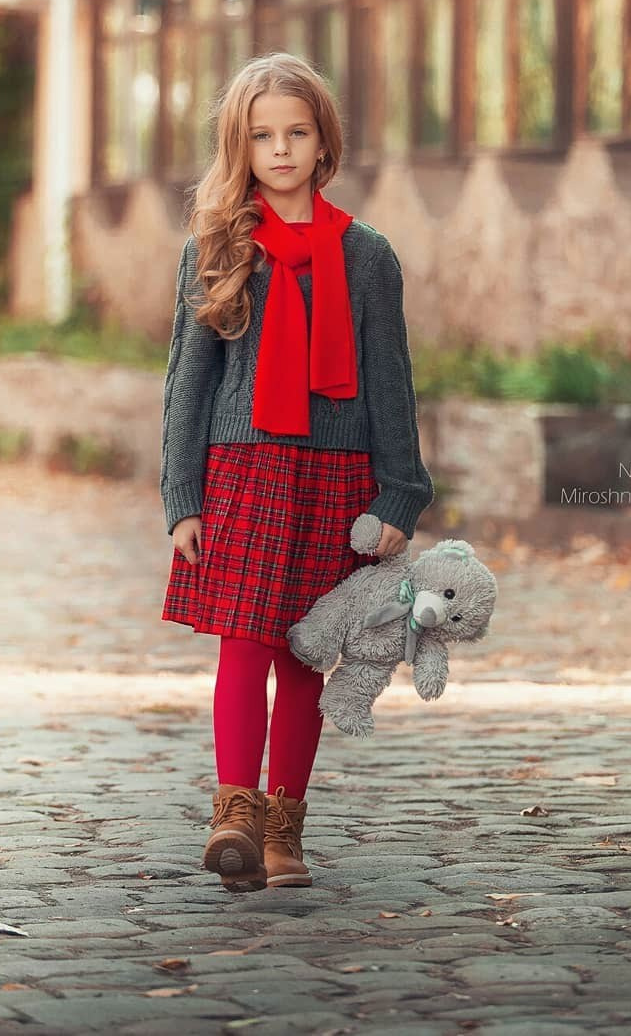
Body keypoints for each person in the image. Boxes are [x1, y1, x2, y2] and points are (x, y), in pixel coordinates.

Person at [160, 51, 434, 893]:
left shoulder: (368, 257)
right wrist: (182, 494)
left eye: (297, 132)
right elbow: (188, 381)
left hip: (335, 480)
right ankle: (234, 818)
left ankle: (285, 829)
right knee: (243, 645)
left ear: (324, 142)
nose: (280, 149)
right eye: (261, 135)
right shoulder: (218, 245)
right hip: (241, 471)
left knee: (303, 656)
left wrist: (399, 492)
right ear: (239, 146)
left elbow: (390, 380)